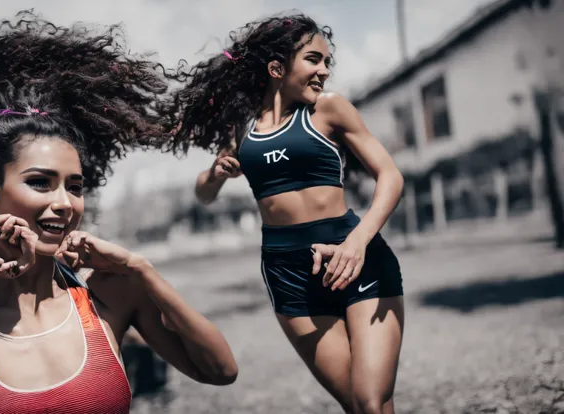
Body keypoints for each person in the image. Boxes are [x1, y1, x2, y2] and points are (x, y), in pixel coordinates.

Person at [0, 12, 237, 414]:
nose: (65, 203)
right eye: (40, 182)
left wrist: (140, 269)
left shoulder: (110, 296)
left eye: (75, 186)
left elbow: (221, 371)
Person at [168, 14, 405, 414]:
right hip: (289, 274)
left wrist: (358, 242)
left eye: (328, 62)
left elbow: (391, 176)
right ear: (277, 68)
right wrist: (215, 173)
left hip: (357, 258)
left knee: (370, 398)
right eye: (314, 60)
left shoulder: (329, 110)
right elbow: (204, 195)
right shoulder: (241, 131)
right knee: (359, 404)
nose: (324, 72)